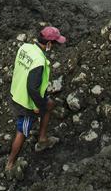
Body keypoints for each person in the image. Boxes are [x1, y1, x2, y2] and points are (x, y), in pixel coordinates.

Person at [6, 26, 66, 174]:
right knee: (22, 132)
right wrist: (36, 106)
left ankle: (43, 139)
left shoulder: (25, 47)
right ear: (49, 44)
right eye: (55, 44)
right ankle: (10, 164)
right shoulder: (39, 61)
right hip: (25, 102)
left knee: (49, 105)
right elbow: (32, 88)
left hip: (17, 90)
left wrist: (43, 104)